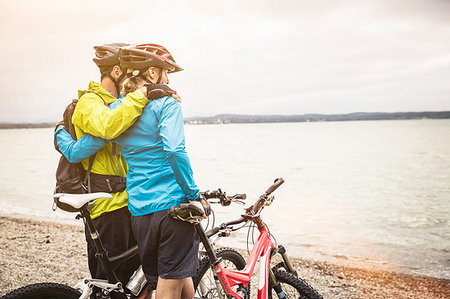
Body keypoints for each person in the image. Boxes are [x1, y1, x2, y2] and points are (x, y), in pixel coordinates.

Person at [55, 43, 210, 299]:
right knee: (122, 286)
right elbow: (168, 149)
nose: (168, 79)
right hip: (132, 205)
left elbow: (109, 134)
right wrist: (193, 193)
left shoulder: (121, 106)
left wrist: (145, 97)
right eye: (165, 72)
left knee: (145, 284)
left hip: (136, 205)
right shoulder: (98, 103)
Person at [54, 42, 153, 299]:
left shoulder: (119, 103)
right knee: (109, 285)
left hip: (128, 202)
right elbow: (108, 126)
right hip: (106, 206)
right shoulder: (90, 102)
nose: (134, 78)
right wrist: (142, 95)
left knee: (135, 282)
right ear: (117, 72)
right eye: (130, 72)